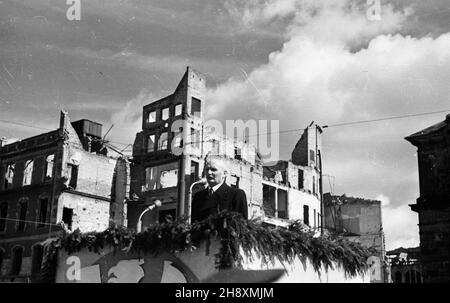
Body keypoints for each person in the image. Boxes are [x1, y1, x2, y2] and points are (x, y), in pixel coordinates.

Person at [191, 156, 248, 222]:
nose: (209, 173)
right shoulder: (198, 196)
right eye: (207, 169)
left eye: (213, 170)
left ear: (224, 174)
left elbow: (241, 225)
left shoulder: (236, 194)